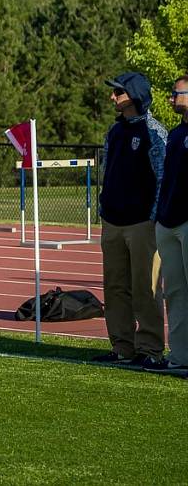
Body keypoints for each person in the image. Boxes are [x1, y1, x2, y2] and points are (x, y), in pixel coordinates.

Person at [94, 72, 167, 367]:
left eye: (118, 92)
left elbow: (162, 178)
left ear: (134, 95)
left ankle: (150, 349)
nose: (113, 97)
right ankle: (122, 347)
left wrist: (152, 218)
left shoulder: (154, 132)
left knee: (146, 289)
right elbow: (107, 172)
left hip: (141, 224)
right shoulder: (114, 132)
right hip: (113, 222)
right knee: (114, 287)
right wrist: (103, 206)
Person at [153, 74, 188, 375]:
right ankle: (179, 357)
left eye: (176, 92)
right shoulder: (176, 135)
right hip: (168, 222)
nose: (171, 97)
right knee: (175, 292)